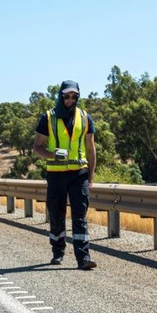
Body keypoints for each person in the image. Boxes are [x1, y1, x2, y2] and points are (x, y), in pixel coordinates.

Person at [33, 80, 98, 270]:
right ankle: (58, 252)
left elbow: (91, 148)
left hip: (79, 174)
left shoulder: (85, 118)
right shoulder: (48, 118)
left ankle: (83, 257)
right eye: (67, 96)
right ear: (60, 96)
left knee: (80, 216)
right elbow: (37, 146)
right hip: (56, 174)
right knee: (56, 214)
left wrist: (91, 176)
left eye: (74, 96)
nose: (71, 99)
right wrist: (52, 154)